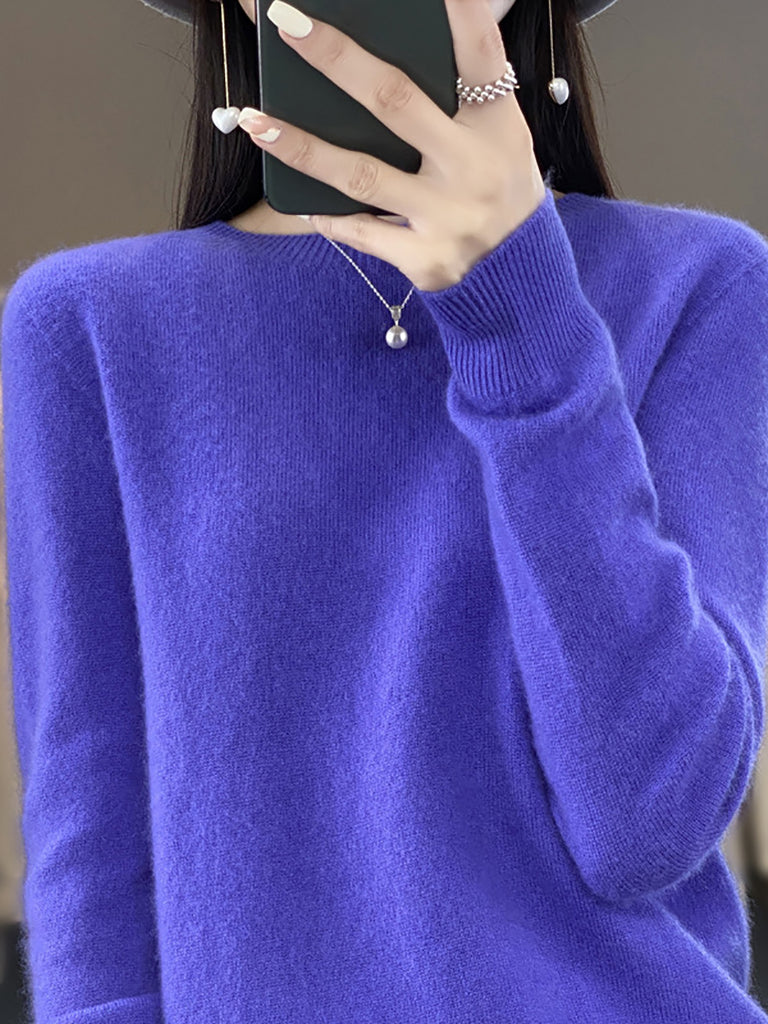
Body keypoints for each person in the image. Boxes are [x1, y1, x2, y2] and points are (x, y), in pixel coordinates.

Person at [3, 0, 768, 1022]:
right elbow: (92, 853)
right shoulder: (86, 327)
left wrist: (522, 313)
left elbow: (648, 820)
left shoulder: (706, 285)